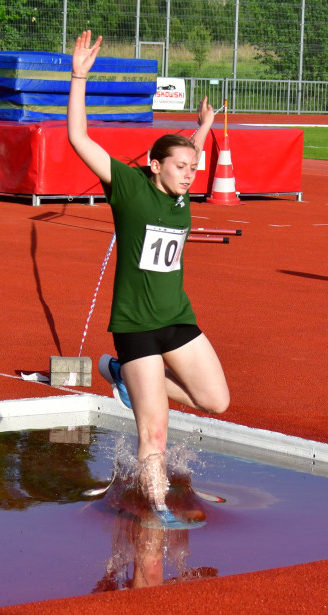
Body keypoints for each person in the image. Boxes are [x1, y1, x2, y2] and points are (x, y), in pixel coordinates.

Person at [67, 30, 230, 524]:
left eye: (194, 169)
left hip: (177, 318)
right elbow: (78, 138)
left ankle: (124, 378)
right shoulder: (129, 186)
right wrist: (78, 77)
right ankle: (157, 508)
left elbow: (188, 155)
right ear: (154, 166)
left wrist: (201, 130)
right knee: (153, 432)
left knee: (216, 401)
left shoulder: (180, 189)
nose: (190, 175)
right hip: (136, 326)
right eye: (181, 167)